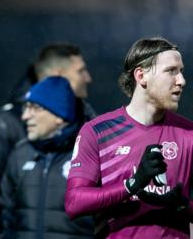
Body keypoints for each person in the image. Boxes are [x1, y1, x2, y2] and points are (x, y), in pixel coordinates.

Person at [65, 37, 193, 239]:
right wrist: (132, 184)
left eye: (181, 71)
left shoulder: (189, 134)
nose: (181, 81)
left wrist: (183, 206)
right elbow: (74, 203)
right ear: (141, 76)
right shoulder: (97, 131)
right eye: (171, 71)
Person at [0, 43, 95, 226]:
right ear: (57, 76)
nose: (88, 78)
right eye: (81, 71)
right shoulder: (8, 123)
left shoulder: (88, 122)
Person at [0, 76, 94, 239]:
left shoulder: (90, 154)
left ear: (59, 115)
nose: (25, 116)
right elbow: (6, 218)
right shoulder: (20, 154)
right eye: (25, 108)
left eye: (34, 108)